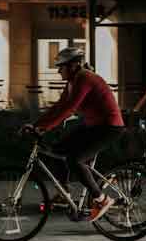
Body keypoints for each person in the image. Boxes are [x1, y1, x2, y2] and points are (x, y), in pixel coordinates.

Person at [23, 47, 125, 221]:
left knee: (75, 159)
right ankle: (65, 193)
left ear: (73, 66)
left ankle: (102, 199)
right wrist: (36, 125)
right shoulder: (72, 82)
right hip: (93, 125)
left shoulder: (84, 78)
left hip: (109, 127)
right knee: (56, 151)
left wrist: (44, 128)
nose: (58, 70)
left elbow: (70, 109)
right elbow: (59, 106)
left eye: (61, 66)